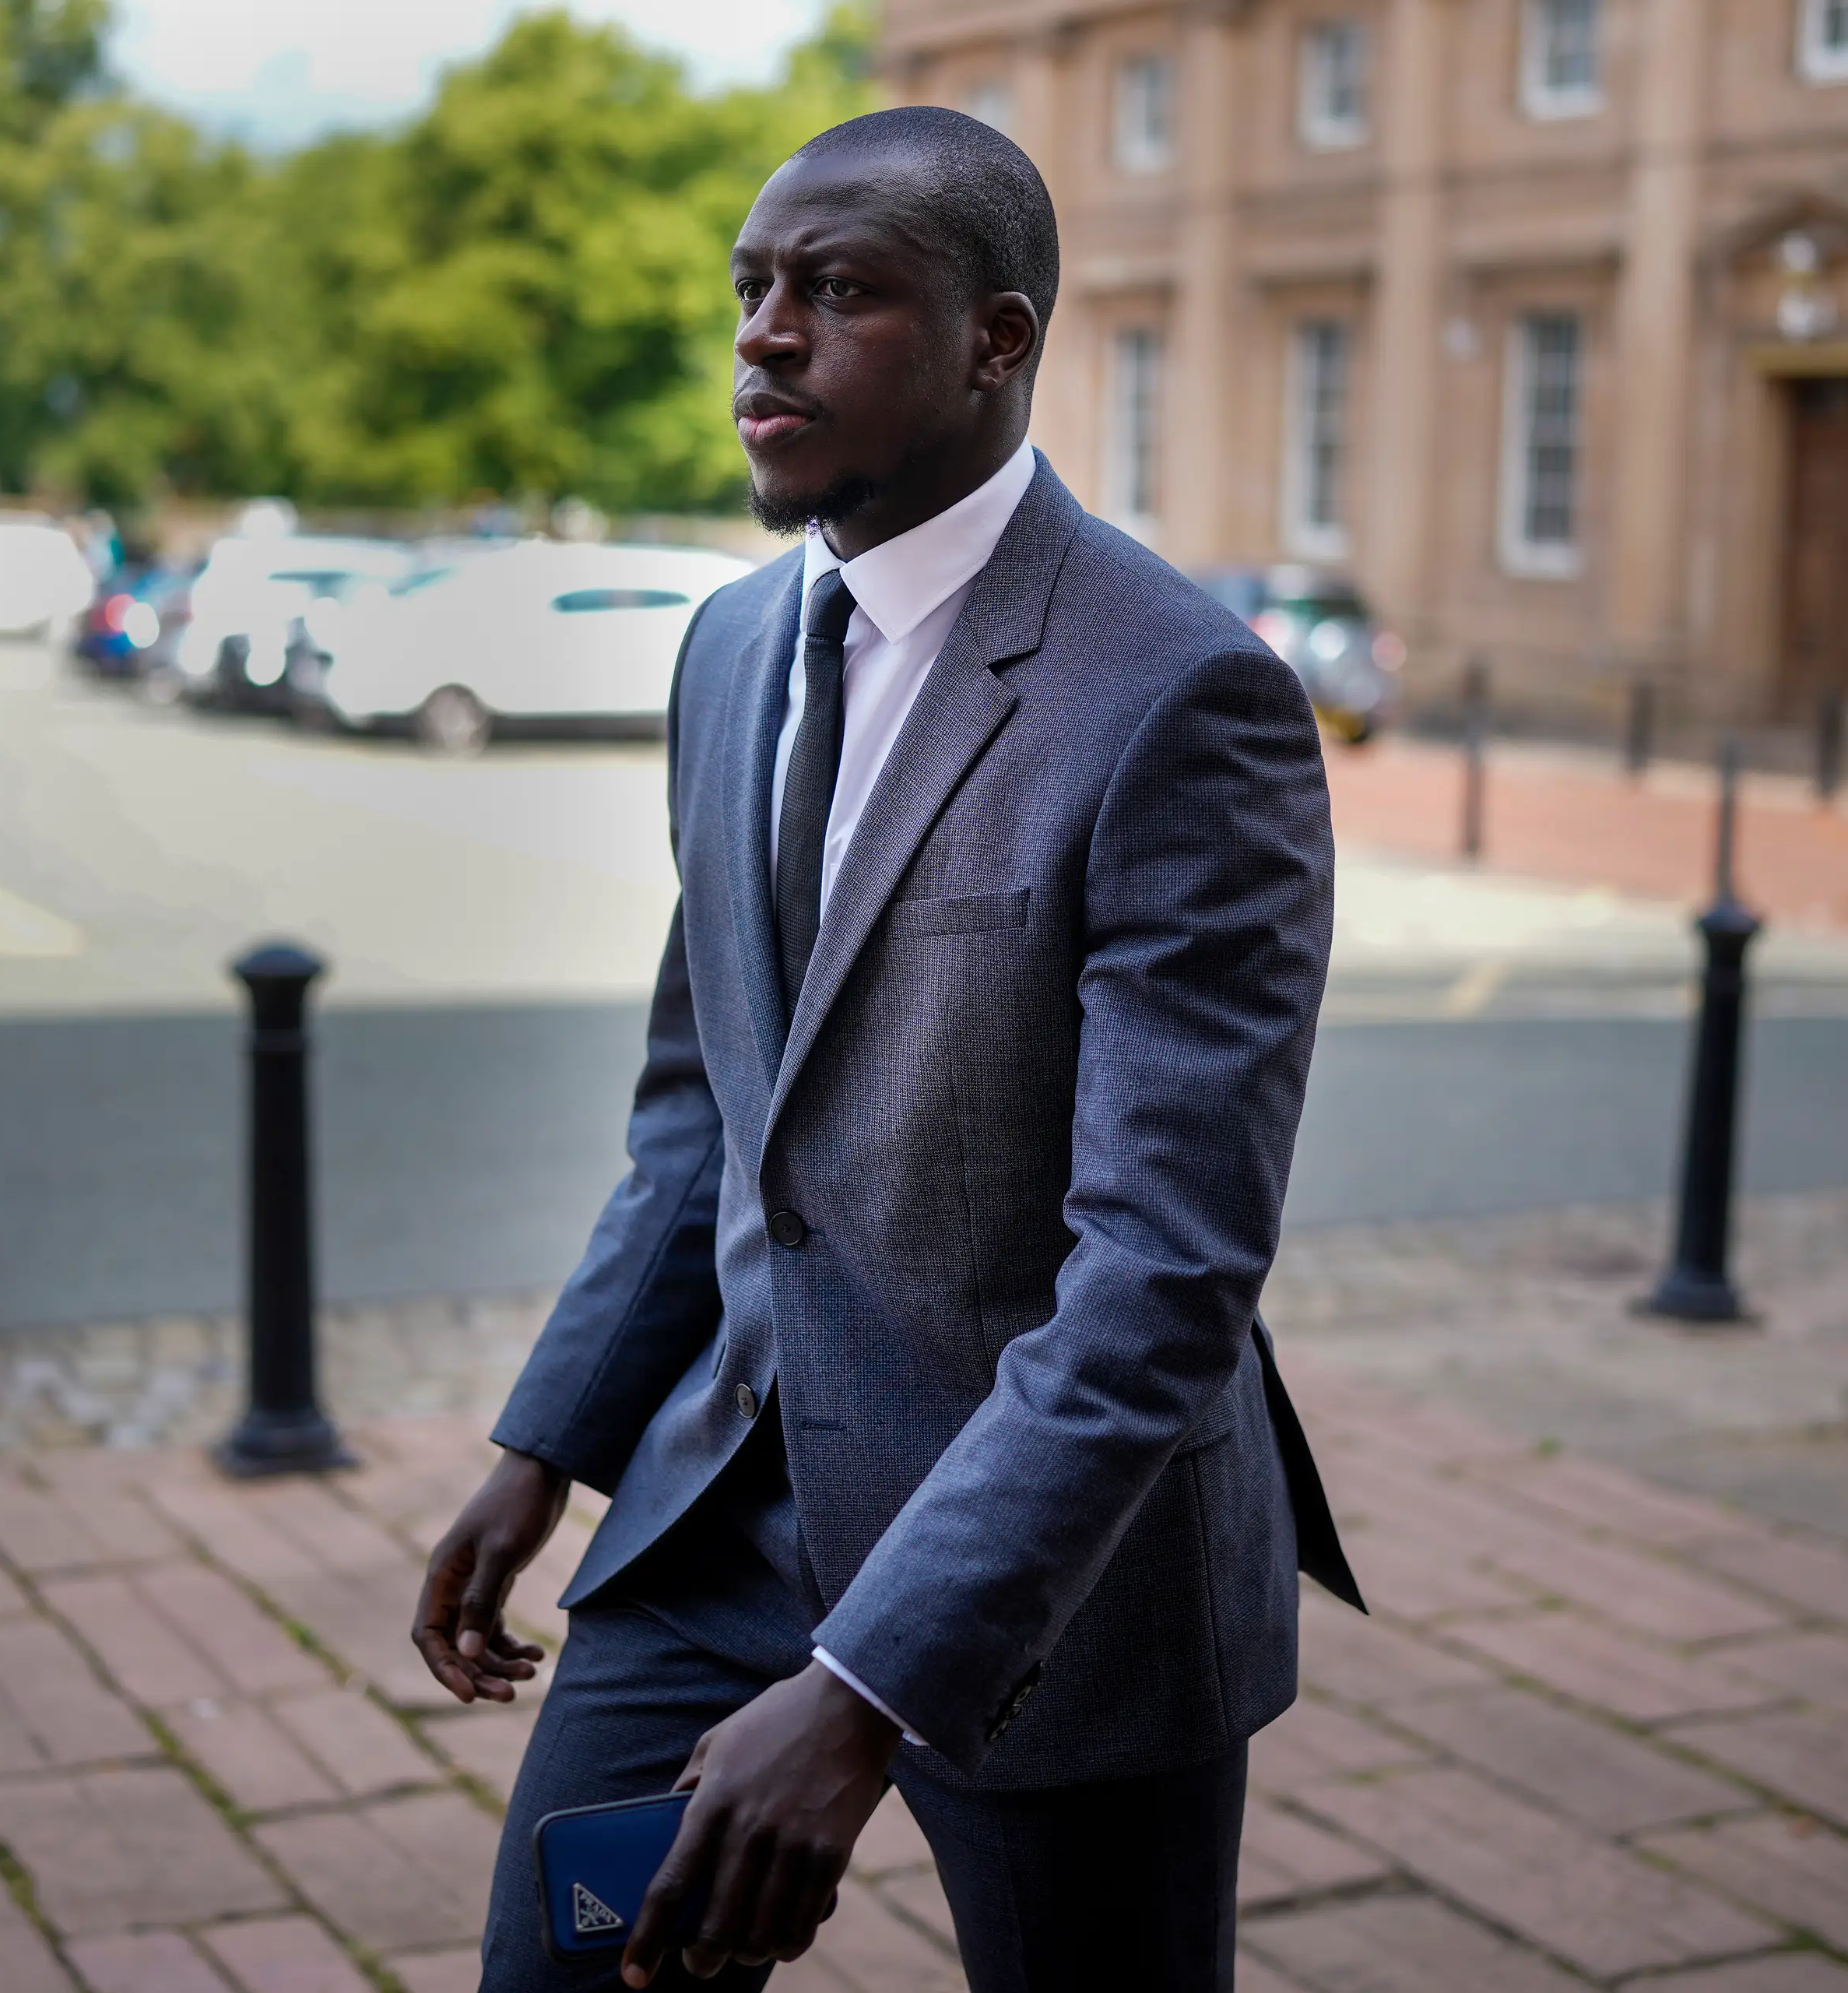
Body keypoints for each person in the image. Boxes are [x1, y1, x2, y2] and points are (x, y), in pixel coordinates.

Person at [408, 106, 1359, 1992]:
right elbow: (707, 1111)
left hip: (1055, 1572)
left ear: (998, 340)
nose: (765, 333)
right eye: (752, 288)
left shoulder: (1179, 697)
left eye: (836, 292)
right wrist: (547, 1440)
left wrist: (859, 1687)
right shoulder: (732, 646)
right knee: (566, 1966)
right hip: (726, 1502)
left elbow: (1164, 1275)